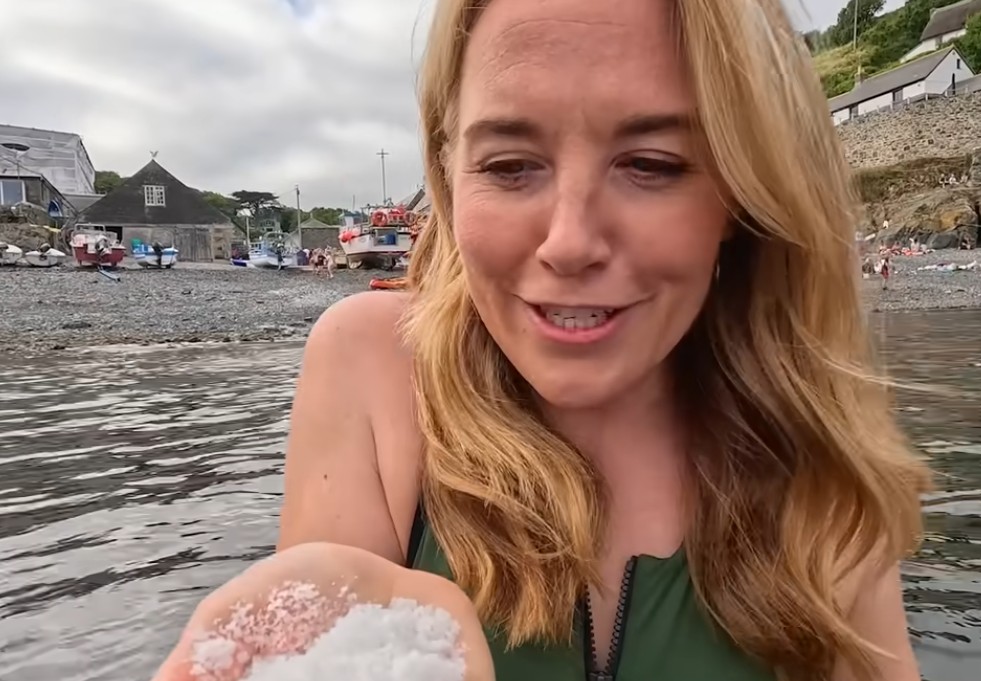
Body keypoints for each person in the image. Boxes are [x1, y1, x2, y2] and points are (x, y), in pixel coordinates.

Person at [153, 1, 930, 680]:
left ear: (743, 191)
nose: (568, 242)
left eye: (651, 164)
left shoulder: (816, 454)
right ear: (449, 174)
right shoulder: (373, 366)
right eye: (510, 165)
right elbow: (328, 619)